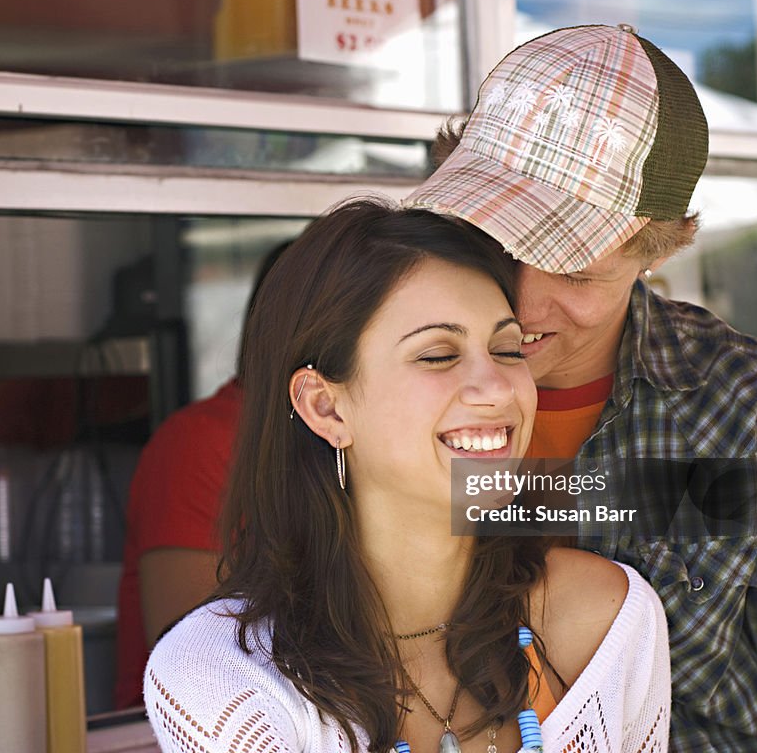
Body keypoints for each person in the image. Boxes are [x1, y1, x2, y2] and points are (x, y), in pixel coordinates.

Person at [404, 24, 757, 750]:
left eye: (576, 272)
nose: (521, 306)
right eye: (494, 241)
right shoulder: (382, 384)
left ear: (657, 250)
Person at [144, 199, 670, 752]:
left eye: (507, 349)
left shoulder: (608, 618)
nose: (497, 389)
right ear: (326, 407)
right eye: (438, 355)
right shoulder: (223, 678)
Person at [114, 242, 290, 710]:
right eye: (437, 353)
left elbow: (496, 585)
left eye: (507, 350)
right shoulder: (201, 441)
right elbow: (194, 666)